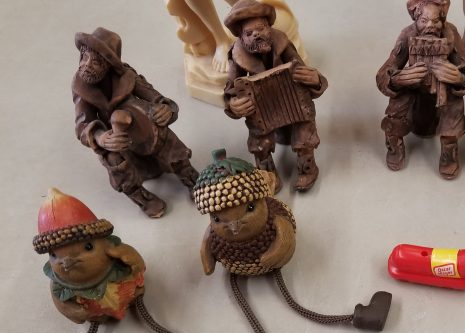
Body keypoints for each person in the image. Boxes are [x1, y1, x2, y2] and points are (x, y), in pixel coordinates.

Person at [72, 28, 199, 218]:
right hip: (116, 139)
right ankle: (140, 196)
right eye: (84, 57)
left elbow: (156, 97)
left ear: (109, 64)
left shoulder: (127, 76)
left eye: (96, 62)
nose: (86, 65)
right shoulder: (81, 87)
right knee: (113, 159)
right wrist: (100, 137)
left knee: (163, 132)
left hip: (142, 129)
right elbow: (82, 125)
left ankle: (190, 177)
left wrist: (166, 109)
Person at [223, 0, 327, 192]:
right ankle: (267, 172)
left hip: (293, 104)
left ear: (269, 27)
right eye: (249, 33)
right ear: (241, 38)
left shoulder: (282, 43)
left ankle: (307, 168)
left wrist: (315, 79)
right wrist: (234, 104)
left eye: (261, 28)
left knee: (304, 133)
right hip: (262, 110)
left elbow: (303, 70)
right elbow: (230, 90)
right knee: (259, 143)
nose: (256, 35)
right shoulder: (237, 56)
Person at [376, 0, 465, 179]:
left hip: (441, 89)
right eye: (424, 21)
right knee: (399, 99)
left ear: (443, 20)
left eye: (436, 21)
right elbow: (383, 73)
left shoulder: (450, 33)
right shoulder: (407, 34)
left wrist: (459, 78)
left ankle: (449, 149)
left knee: (454, 101)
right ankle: (394, 142)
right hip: (414, 88)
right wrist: (397, 79)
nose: (430, 26)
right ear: (416, 19)